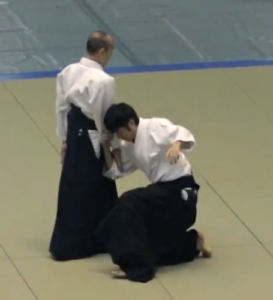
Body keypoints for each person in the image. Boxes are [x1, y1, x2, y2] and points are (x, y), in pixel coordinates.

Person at [96, 103, 212, 283]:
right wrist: (105, 146)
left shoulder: (154, 127)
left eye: (119, 132)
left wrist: (176, 146)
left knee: (129, 202)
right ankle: (193, 242)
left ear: (131, 123)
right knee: (150, 250)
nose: (119, 137)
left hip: (180, 193)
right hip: (163, 196)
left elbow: (184, 134)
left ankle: (133, 265)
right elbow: (115, 171)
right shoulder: (130, 145)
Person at [49, 31, 121, 261]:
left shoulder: (68, 71)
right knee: (94, 187)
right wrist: (111, 149)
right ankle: (95, 240)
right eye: (110, 52)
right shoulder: (103, 81)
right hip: (92, 136)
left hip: (74, 132)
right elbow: (104, 119)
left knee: (74, 188)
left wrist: (64, 140)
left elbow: (61, 108)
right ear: (102, 51)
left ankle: (73, 242)